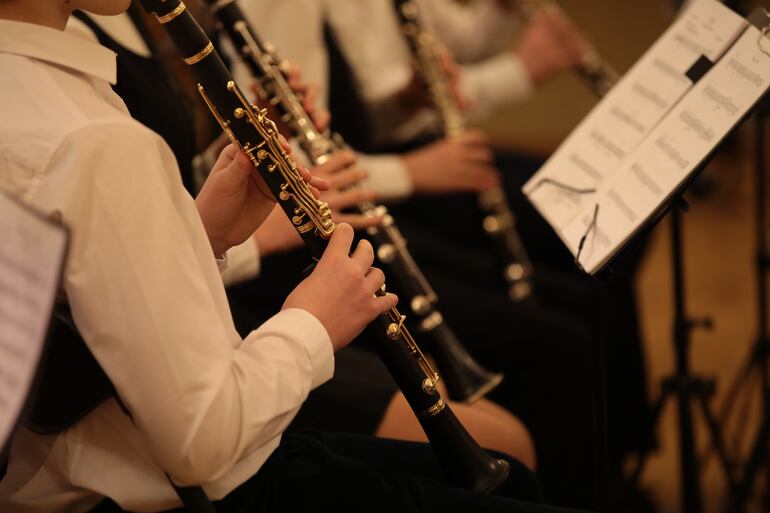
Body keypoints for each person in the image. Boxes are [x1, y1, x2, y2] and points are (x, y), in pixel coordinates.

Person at [0, 1, 591, 512]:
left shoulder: (34, 93)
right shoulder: (93, 138)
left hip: (97, 450)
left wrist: (202, 233)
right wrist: (314, 319)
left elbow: (67, 313)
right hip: (165, 478)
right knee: (517, 469)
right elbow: (202, 443)